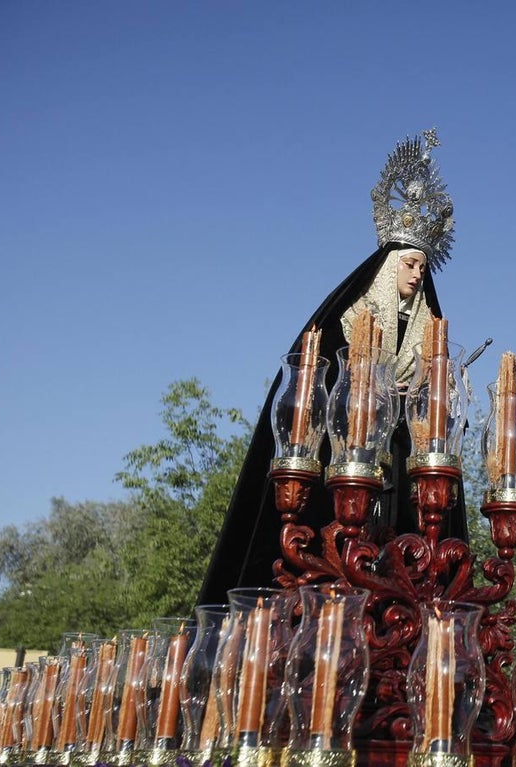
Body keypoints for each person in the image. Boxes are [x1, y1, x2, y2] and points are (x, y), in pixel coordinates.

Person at [198, 129, 467, 606]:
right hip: (339, 466)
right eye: (408, 263)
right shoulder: (342, 322)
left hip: (399, 475)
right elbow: (315, 387)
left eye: (422, 267)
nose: (417, 273)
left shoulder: (430, 335)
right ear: (387, 267)